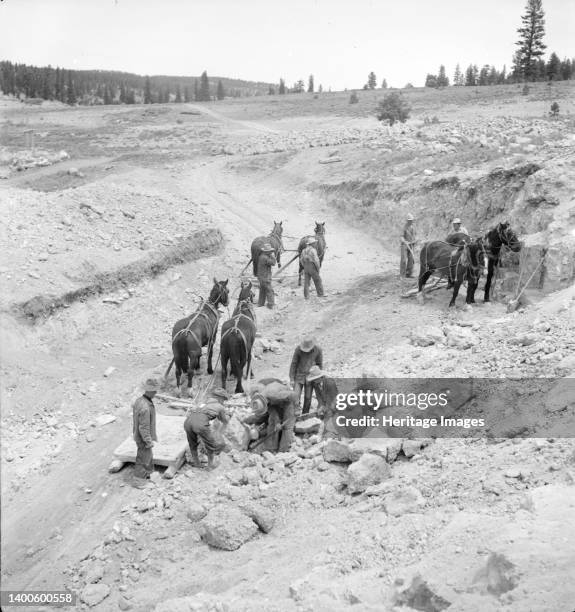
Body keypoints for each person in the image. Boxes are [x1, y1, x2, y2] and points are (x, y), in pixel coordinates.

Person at [184, 398, 229, 470]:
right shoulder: (220, 406)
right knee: (210, 445)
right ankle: (210, 466)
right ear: (221, 399)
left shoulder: (202, 405)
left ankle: (197, 463)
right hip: (200, 424)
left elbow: (192, 413)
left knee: (192, 444)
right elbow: (224, 421)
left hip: (187, 422)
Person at [132, 378, 159, 480]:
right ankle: (138, 480)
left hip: (138, 435)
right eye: (155, 390)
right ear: (151, 391)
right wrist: (148, 441)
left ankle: (148, 473)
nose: (156, 393)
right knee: (143, 459)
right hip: (143, 437)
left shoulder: (139, 400)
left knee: (146, 457)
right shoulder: (145, 407)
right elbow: (143, 427)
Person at [289, 336, 323, 416]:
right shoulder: (298, 350)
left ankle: (305, 415)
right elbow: (294, 364)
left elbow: (319, 364)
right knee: (295, 397)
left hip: (310, 377)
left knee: (308, 399)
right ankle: (295, 415)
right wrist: (291, 378)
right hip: (299, 376)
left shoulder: (318, 350)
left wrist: (318, 377)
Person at [306, 366, 340, 440]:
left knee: (329, 416)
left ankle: (331, 433)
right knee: (319, 415)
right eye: (313, 380)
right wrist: (320, 406)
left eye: (315, 379)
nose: (313, 381)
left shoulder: (330, 383)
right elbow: (319, 397)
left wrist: (326, 409)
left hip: (336, 402)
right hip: (327, 402)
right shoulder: (316, 384)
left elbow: (333, 399)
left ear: (320, 377)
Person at [257, 243, 276, 309]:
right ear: (267, 252)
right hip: (265, 277)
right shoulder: (265, 258)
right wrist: (273, 256)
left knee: (262, 290)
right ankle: (271, 304)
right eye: (270, 251)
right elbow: (273, 263)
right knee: (269, 290)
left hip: (261, 277)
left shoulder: (261, 256)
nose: (271, 252)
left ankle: (260, 303)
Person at [400, 214, 417, 278]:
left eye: (411, 220)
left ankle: (409, 274)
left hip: (411, 245)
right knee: (403, 260)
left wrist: (415, 241)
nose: (410, 221)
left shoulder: (413, 227)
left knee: (411, 259)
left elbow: (415, 236)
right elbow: (401, 236)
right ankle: (402, 274)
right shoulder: (404, 227)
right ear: (407, 220)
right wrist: (404, 241)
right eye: (409, 220)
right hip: (404, 245)